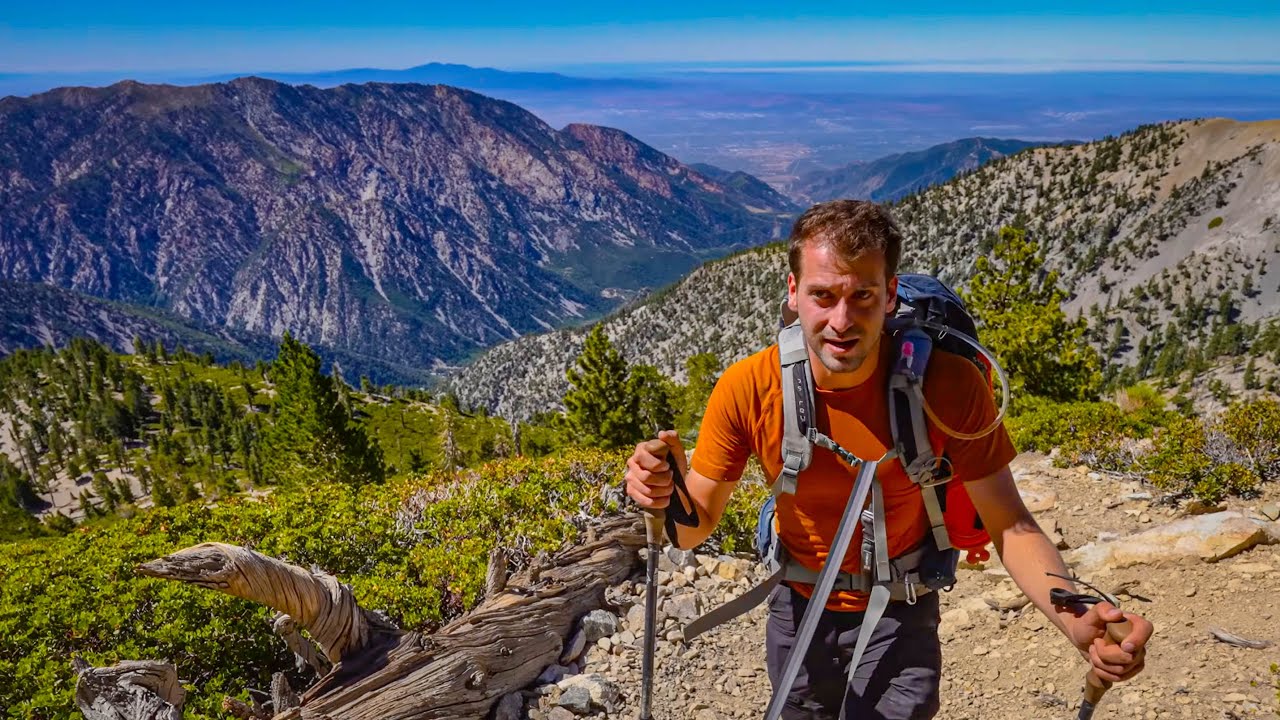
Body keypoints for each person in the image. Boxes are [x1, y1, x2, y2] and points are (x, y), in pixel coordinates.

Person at [624, 200, 1153, 720]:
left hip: (902, 608)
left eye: (863, 296)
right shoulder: (749, 388)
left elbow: (1010, 525)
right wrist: (661, 497)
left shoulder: (948, 385)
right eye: (822, 295)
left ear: (890, 294)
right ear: (793, 293)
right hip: (798, 606)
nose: (841, 320)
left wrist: (1075, 619)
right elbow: (692, 530)